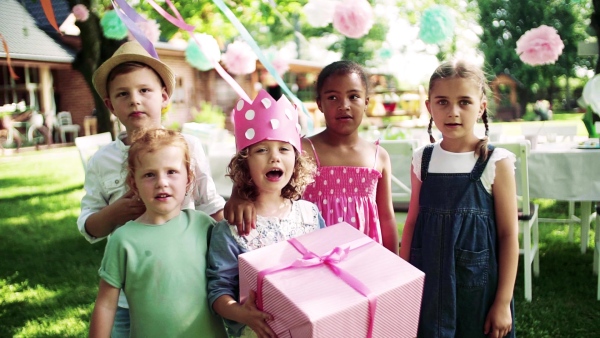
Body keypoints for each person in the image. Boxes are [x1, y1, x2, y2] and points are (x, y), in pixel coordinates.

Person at [77, 41, 226, 337]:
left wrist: (237, 254)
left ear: (164, 96)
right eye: (123, 94)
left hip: (188, 284)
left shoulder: (189, 147)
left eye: (144, 90)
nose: (135, 100)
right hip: (128, 293)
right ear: (110, 105)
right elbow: (89, 226)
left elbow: (211, 206)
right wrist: (115, 212)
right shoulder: (102, 160)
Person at [224, 61, 399, 255]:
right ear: (319, 104)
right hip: (312, 255)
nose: (344, 105)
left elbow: (387, 217)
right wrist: (238, 195)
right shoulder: (300, 149)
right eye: (332, 97)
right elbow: (256, 171)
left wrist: (395, 262)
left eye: (354, 96)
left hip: (365, 254)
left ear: (366, 102)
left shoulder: (378, 157)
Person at [400, 60, 519, 338]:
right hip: (428, 279)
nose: (453, 112)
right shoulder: (422, 159)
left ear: (481, 106)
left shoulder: (494, 162)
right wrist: (403, 281)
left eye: (464, 102)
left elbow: (508, 235)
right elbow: (413, 222)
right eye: (442, 102)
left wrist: (502, 303)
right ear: (429, 107)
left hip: (477, 286)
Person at [207, 90, 326, 338]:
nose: (274, 157)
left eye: (284, 149)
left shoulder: (311, 215)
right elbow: (218, 291)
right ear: (244, 161)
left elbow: (326, 270)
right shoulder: (230, 229)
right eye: (261, 150)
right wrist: (241, 313)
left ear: (296, 159)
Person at [89, 129, 227, 337]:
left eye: (171, 172)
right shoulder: (124, 240)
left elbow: (229, 276)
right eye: (149, 175)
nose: (161, 182)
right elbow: (106, 305)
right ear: (133, 184)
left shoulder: (204, 226)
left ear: (188, 178)